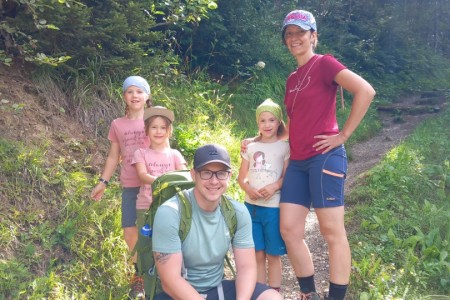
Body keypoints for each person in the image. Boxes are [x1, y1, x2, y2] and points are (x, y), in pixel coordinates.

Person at [279, 9, 376, 300]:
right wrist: (263, 141)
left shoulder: (324, 64)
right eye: (289, 33)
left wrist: (343, 135)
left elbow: (365, 91)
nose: (294, 38)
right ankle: (307, 292)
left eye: (300, 32)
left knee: (331, 230)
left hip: (324, 157)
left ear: (313, 36)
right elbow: (295, 121)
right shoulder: (292, 78)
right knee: (289, 229)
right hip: (297, 162)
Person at [152, 144, 283, 300]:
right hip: (178, 293)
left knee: (272, 298)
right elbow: (170, 281)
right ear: (194, 175)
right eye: (206, 173)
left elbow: (246, 267)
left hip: (217, 288)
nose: (214, 181)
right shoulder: (170, 213)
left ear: (229, 176)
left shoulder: (237, 212)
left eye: (221, 173)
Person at [90, 75, 152, 299]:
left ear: (147, 96)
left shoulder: (155, 119)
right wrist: (102, 182)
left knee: (156, 231)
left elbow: (165, 147)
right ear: (124, 97)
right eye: (130, 91)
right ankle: (139, 276)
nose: (134, 95)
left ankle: (161, 272)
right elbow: (113, 157)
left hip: (154, 185)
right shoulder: (117, 124)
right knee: (129, 232)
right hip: (130, 186)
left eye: (139, 91)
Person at [237, 99, 290, 292]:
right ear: (257, 123)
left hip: (273, 208)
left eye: (271, 120)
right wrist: (248, 188)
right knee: (257, 253)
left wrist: (275, 185)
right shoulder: (249, 147)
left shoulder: (284, 147)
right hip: (250, 207)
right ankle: (260, 292)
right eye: (262, 121)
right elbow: (241, 178)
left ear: (279, 123)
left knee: (273, 254)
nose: (267, 125)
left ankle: (274, 292)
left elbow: (287, 176)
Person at [132, 105, 187, 220]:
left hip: (172, 206)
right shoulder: (140, 153)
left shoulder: (175, 154)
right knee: (145, 237)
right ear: (146, 130)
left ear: (169, 131)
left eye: (163, 128)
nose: (158, 131)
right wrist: (165, 181)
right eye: (154, 127)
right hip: (146, 206)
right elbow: (142, 175)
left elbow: (184, 176)